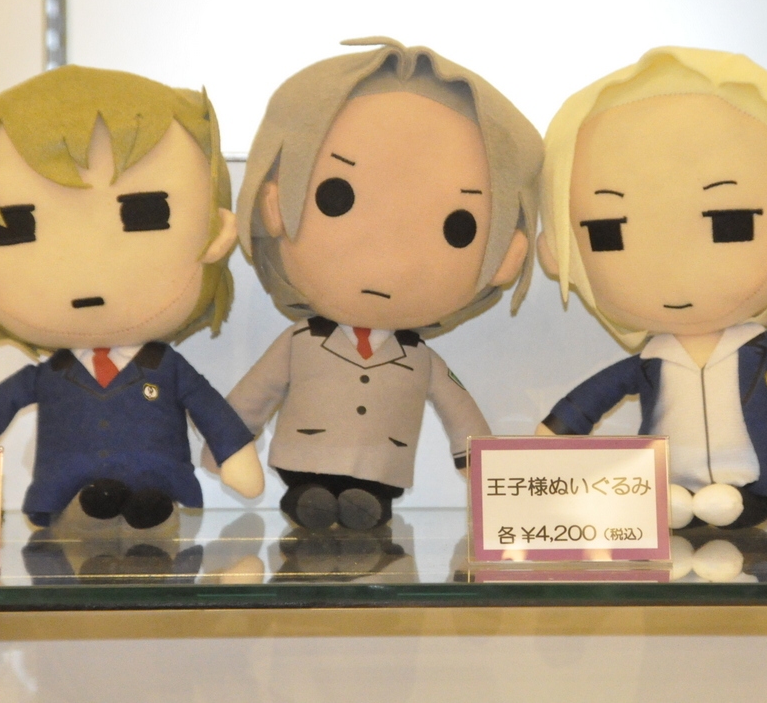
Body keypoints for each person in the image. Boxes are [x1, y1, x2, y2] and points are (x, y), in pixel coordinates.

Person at [0, 66, 263, 529]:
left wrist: (234, 453)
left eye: (144, 213)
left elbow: (211, 412)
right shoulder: (48, 376)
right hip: (65, 500)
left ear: (217, 233)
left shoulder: (167, 368)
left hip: (159, 501)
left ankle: (149, 500)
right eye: (15, 226)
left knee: (151, 511)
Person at [227, 38, 542, 531]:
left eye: (457, 228)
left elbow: (459, 409)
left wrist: (478, 460)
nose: (389, 260)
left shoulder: (420, 358)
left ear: (507, 258)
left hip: (381, 470)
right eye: (335, 196)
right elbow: (257, 391)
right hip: (303, 459)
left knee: (366, 507)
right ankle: (311, 501)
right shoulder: (300, 342)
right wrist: (229, 441)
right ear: (275, 204)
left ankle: (362, 507)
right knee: (312, 501)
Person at [536, 47, 767, 530]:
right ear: (562, 252)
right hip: (665, 484)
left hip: (750, 480)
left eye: (729, 222)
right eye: (607, 232)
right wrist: (559, 429)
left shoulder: (762, 350)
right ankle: (679, 499)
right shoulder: (651, 359)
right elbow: (594, 397)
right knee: (676, 508)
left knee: (728, 508)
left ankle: (725, 499)